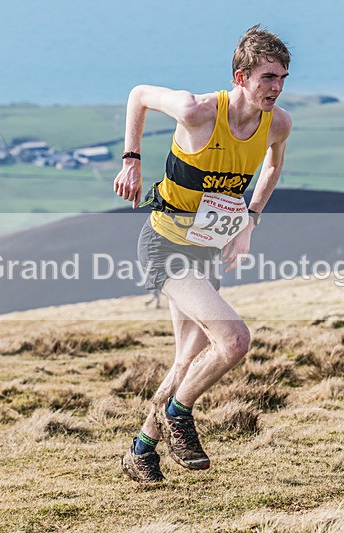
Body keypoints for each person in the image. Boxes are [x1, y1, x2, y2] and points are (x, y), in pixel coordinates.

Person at [114, 25, 292, 484]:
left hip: (205, 253)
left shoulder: (279, 124)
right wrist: (131, 159)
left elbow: (273, 164)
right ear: (241, 76)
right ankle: (178, 413)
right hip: (165, 247)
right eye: (268, 77)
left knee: (184, 363)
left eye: (283, 78)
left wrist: (251, 218)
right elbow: (138, 95)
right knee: (234, 341)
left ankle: (141, 451)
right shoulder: (197, 111)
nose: (276, 88)